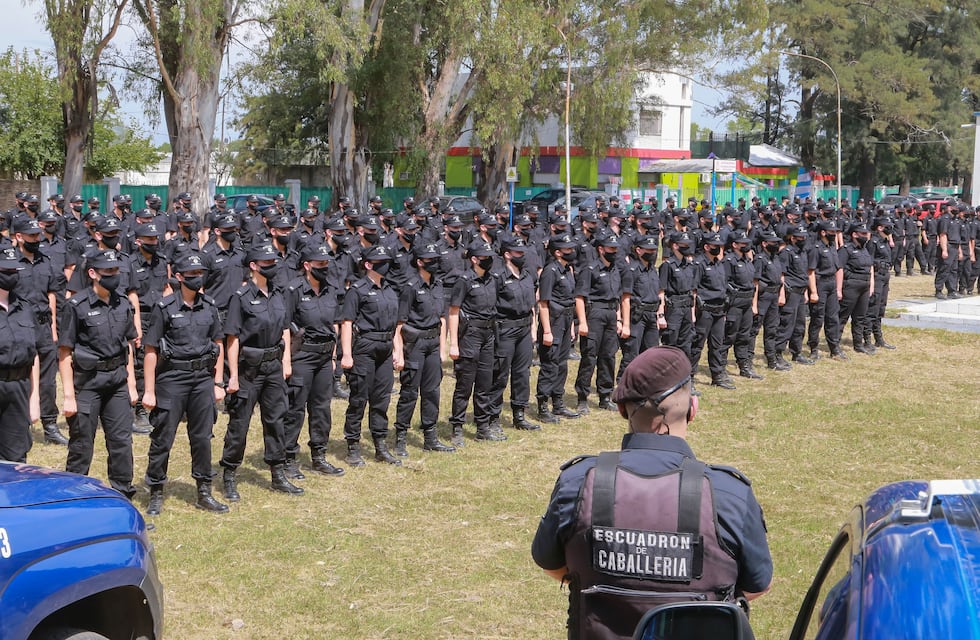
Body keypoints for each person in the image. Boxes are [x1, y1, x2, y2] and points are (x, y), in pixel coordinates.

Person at [531, 346, 773, 640]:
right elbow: (757, 585)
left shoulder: (577, 483)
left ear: (621, 410)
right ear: (693, 409)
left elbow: (552, 564)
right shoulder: (728, 493)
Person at [142, 253, 228, 514]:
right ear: (179, 277)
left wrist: (217, 381)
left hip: (202, 379)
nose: (197, 278)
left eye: (200, 272)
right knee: (163, 438)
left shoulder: (209, 305)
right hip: (171, 379)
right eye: (191, 274)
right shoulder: (165, 308)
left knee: (202, 437)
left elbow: (218, 344)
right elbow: (150, 349)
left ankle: (204, 490)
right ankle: (156, 490)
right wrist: (148, 390)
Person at [219, 243, 304, 499]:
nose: (273, 266)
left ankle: (278, 472)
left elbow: (285, 330)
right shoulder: (240, 297)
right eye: (266, 263)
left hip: (274, 366)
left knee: (276, 419)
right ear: (254, 266)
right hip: (248, 369)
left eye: (274, 261)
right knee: (240, 423)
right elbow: (232, 338)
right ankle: (229, 474)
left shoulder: (279, 294)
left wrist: (286, 361)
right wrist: (232, 375)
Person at [57, 249, 138, 498]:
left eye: (116, 271)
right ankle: (74, 499)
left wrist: (132, 384)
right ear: (93, 274)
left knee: (122, 444)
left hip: (117, 383)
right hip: (88, 384)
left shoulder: (122, 302)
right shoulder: (76, 306)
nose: (114, 276)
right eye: (108, 272)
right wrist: (69, 395)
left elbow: (129, 346)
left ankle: (122, 497)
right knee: (82, 444)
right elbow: (64, 352)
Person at [284, 243, 345, 476]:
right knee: (295, 408)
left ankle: (319, 455)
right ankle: (289, 457)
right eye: (320, 263)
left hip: (323, 357)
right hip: (302, 355)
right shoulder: (294, 289)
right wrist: (286, 361)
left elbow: (334, 325)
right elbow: (284, 327)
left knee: (321, 408)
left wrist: (332, 356)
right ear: (307, 265)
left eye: (327, 263)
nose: (325, 267)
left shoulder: (331, 289)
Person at [340, 244, 403, 466]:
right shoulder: (357, 290)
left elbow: (395, 324)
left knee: (381, 399)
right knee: (359, 398)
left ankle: (380, 445)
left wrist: (398, 350)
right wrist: (346, 355)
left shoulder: (389, 288)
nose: (386, 265)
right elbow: (347, 323)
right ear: (368, 265)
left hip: (385, 347)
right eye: (381, 262)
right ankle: (353, 446)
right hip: (365, 346)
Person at [0, 247, 41, 462]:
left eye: (14, 270)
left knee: (16, 459)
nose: (11, 275)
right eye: (5, 270)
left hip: (18, 387)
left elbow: (33, 354)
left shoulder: (24, 307)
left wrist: (33, 400)